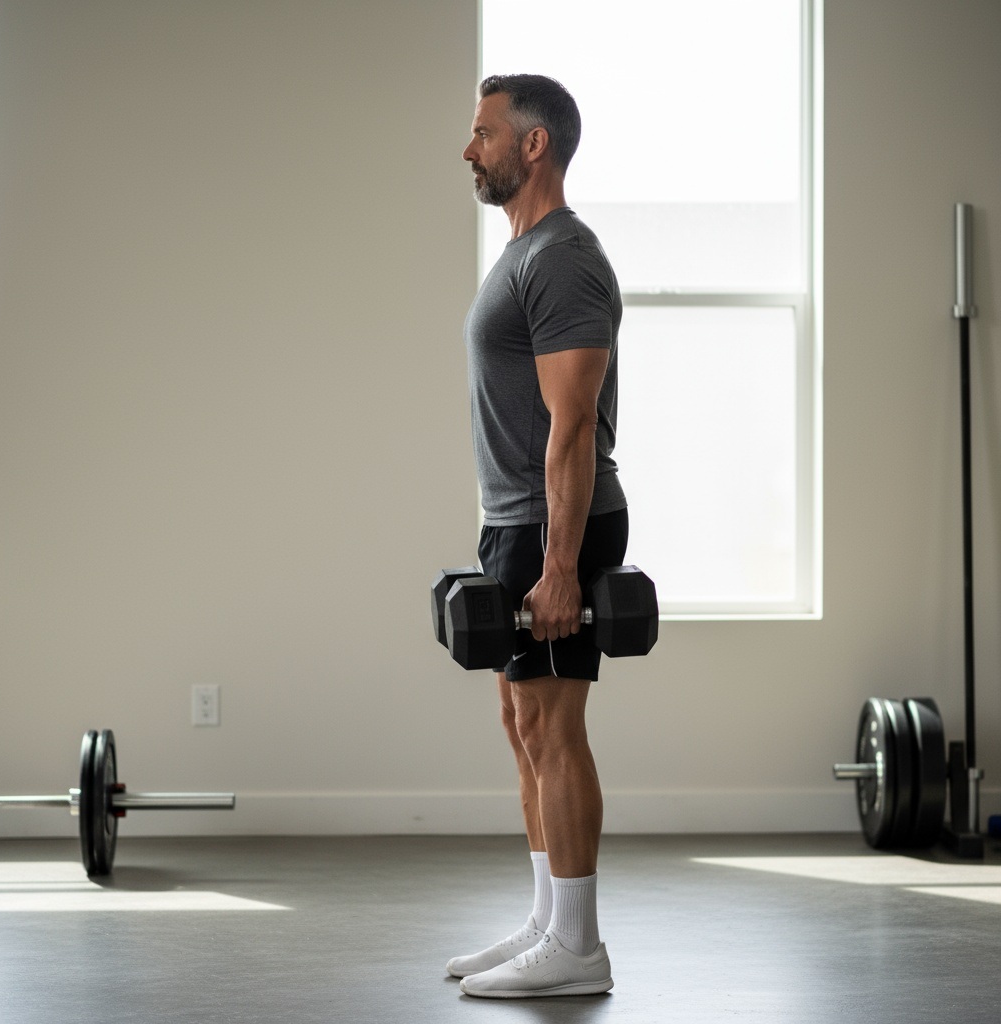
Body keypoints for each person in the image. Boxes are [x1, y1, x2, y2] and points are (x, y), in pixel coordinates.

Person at [447, 74, 628, 999]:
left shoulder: (562, 258)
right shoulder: (521, 251)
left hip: (560, 524)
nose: (466, 149)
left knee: (555, 725)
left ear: (534, 146)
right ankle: (548, 920)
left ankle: (580, 945)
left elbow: (573, 424)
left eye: (482, 133)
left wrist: (560, 568)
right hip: (514, 518)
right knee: (522, 723)